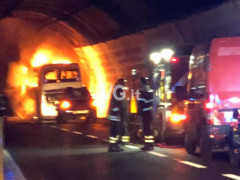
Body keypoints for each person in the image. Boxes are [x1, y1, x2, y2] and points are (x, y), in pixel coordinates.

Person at [108, 79, 129, 152]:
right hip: (117, 114)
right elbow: (120, 103)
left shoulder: (116, 89)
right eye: (124, 83)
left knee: (114, 130)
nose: (124, 85)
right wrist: (122, 112)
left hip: (114, 113)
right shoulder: (119, 89)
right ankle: (114, 146)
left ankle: (113, 146)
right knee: (115, 130)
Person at [138, 77, 155, 151]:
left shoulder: (143, 91)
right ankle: (150, 144)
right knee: (149, 129)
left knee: (146, 129)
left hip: (145, 113)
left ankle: (147, 145)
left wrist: (139, 112)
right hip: (149, 112)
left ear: (142, 82)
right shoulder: (150, 90)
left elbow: (141, 103)